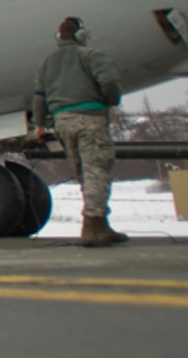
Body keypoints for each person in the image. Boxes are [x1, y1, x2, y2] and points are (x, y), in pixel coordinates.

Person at [30, 17, 128, 247]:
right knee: (97, 169)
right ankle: (93, 225)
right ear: (81, 36)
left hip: (62, 122)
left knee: (83, 172)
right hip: (89, 118)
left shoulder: (46, 62)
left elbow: (39, 96)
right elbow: (110, 80)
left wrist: (40, 125)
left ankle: (100, 222)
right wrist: (110, 100)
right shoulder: (90, 56)